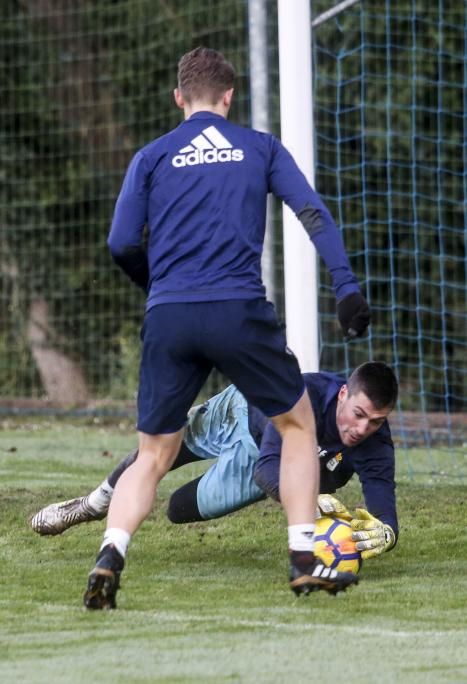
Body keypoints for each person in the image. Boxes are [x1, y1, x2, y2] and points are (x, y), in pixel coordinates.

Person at [84, 47, 370, 609]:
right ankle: (302, 556)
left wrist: (159, 288)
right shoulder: (260, 147)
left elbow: (120, 243)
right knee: (297, 425)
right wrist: (346, 288)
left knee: (153, 455)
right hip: (239, 311)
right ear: (229, 97)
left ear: (179, 98)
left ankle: (110, 554)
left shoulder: (152, 156)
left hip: (169, 315)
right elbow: (312, 212)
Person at [32, 362, 397, 563]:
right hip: (242, 414)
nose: (362, 428)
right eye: (358, 414)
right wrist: (309, 503)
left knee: (179, 510)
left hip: (262, 464)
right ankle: (90, 505)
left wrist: (387, 532)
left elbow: (384, 508)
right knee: (161, 449)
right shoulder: (304, 397)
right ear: (344, 394)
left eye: (375, 421)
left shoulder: (376, 441)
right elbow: (270, 469)